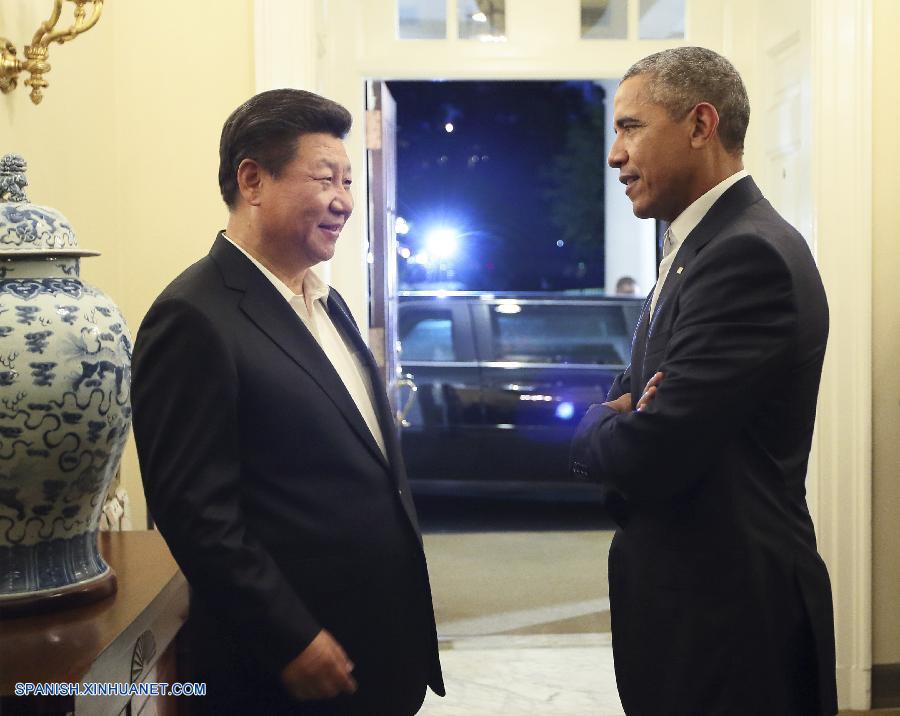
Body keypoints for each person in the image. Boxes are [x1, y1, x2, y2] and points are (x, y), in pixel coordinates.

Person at [131, 89, 444, 715]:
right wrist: (290, 638)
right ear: (253, 180)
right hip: (284, 670)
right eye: (325, 178)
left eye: (349, 181)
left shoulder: (326, 300)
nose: (344, 201)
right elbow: (197, 516)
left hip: (375, 647)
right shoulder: (193, 316)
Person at [570, 47, 837, 715]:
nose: (614, 155)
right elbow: (631, 391)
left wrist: (598, 423)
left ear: (700, 124)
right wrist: (622, 410)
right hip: (697, 607)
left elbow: (651, 452)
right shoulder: (695, 245)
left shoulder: (745, 254)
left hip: (730, 620)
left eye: (631, 127)